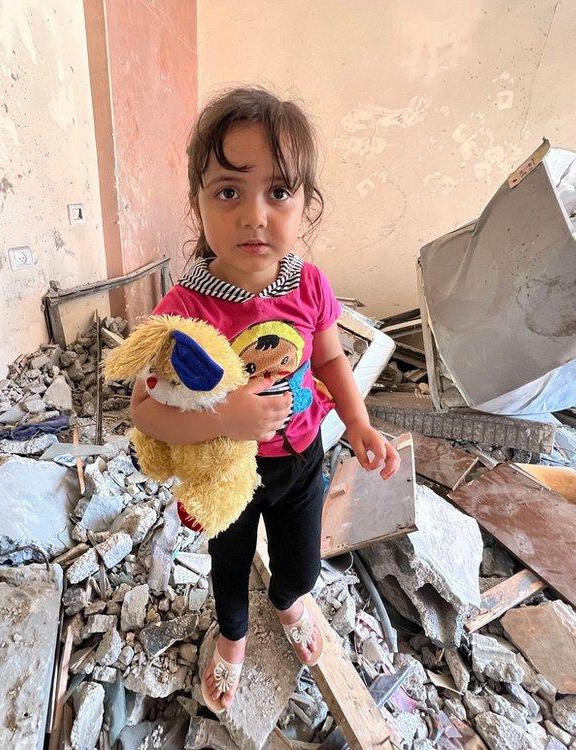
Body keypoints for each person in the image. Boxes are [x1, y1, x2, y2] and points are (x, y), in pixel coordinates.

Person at [130, 86, 400, 711]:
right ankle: (230, 637)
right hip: (226, 473)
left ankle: (288, 602)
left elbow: (330, 357)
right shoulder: (184, 312)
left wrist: (357, 422)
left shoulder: (308, 285)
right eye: (229, 191)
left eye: (278, 192)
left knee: (300, 564)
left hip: (302, 458)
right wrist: (225, 416)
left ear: (306, 203)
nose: (255, 214)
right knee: (228, 569)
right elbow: (143, 410)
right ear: (197, 203)